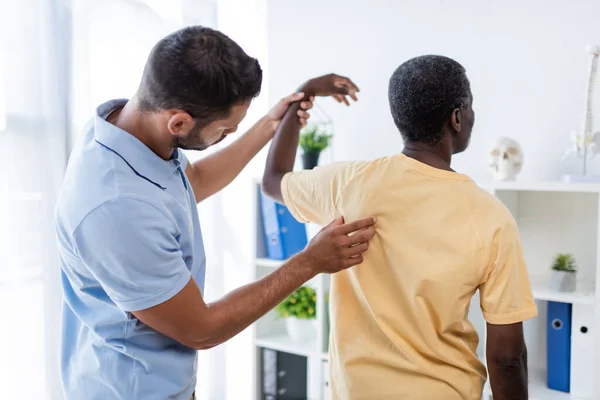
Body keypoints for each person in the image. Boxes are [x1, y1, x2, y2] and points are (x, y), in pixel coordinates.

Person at [55, 26, 377, 400]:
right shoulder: (116, 206)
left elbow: (198, 179)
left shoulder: (128, 130)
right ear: (179, 122)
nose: (230, 133)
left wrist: (274, 122)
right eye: (226, 130)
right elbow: (201, 328)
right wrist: (309, 262)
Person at [262, 56, 538, 400]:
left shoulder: (348, 183)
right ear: (456, 117)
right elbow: (507, 359)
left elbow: (273, 181)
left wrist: (303, 96)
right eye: (469, 107)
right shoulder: (491, 217)